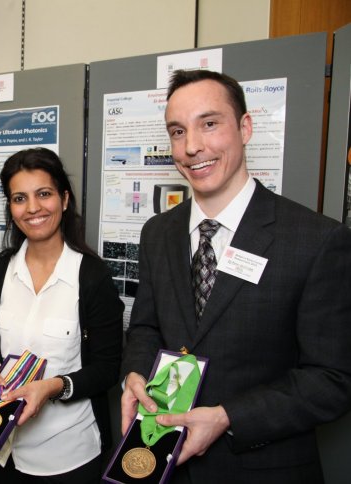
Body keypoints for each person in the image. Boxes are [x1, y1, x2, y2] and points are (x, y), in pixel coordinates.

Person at [120, 69, 351, 483]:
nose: (192, 147)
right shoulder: (157, 232)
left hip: (262, 468)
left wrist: (228, 417)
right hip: (163, 462)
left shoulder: (316, 239)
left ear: (245, 127)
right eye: (177, 131)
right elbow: (146, 327)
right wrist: (135, 375)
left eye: (209, 124)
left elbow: (332, 379)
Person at [0, 148, 124, 483]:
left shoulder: (92, 276)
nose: (33, 208)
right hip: (2, 446)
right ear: (11, 209)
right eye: (19, 198)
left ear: (64, 199)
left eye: (44, 194)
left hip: (68, 452)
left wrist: (54, 387)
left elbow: (107, 369)